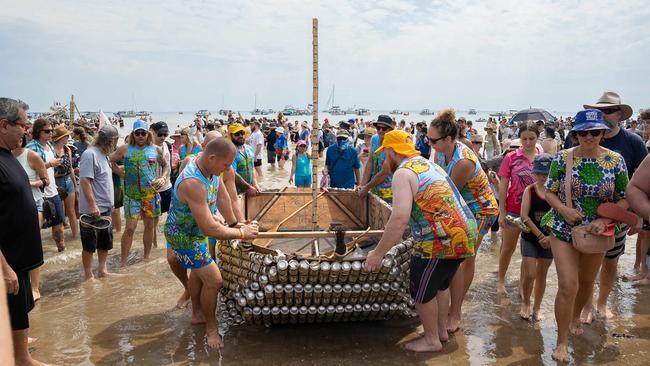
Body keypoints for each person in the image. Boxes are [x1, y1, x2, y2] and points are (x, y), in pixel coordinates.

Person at [364, 130, 477, 353]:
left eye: (385, 152)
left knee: (421, 292)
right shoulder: (428, 164)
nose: (385, 157)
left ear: (391, 151)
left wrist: (377, 253)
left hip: (439, 239)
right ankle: (441, 331)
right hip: (465, 232)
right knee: (440, 285)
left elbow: (399, 218)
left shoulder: (403, 173)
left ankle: (432, 340)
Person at [542, 109, 629, 362]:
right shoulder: (562, 159)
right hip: (563, 227)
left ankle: (573, 319)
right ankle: (561, 342)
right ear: (575, 134)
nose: (589, 137)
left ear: (603, 133)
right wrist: (562, 209)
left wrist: (605, 219)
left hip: (598, 232)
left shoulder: (615, 161)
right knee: (569, 284)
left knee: (587, 282)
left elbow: (624, 198)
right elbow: (549, 191)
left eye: (594, 132)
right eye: (583, 132)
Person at [165, 137, 258, 349]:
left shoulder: (212, 169)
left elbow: (221, 199)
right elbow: (209, 229)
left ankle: (196, 313)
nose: (228, 169)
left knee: (200, 272)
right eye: (226, 165)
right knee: (215, 280)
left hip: (196, 229)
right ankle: (211, 328)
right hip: (183, 235)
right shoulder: (193, 182)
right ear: (212, 157)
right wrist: (241, 234)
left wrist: (236, 222)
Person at [576, 92, 647, 321]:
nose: (604, 115)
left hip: (617, 215)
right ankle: (586, 305)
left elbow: (642, 183)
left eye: (609, 111)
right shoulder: (579, 137)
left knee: (610, 262)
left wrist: (637, 216)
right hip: (584, 217)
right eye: (601, 110)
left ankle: (602, 303)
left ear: (619, 114)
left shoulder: (633, 142)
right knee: (584, 266)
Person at [430, 108, 498, 333]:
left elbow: (448, 194)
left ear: (449, 139)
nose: (430, 145)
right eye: (427, 139)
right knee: (454, 258)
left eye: (433, 140)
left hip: (480, 210)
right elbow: (438, 181)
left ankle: (455, 312)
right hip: (459, 205)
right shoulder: (441, 152)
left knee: (463, 259)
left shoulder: (464, 162)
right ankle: (452, 300)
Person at [0, 97, 49, 366]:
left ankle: (21, 354)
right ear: (4, 125)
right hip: (8, 261)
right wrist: (4, 267)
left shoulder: (8, 156)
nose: (27, 130)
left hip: (19, 258)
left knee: (19, 312)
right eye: (23, 124)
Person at [109, 119, 168, 267]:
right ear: (133, 134)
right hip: (131, 195)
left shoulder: (155, 149)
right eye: (138, 133)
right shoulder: (125, 149)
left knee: (149, 227)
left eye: (143, 133)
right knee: (130, 228)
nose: (140, 136)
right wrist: (120, 173)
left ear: (148, 134)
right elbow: (109, 160)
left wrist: (162, 177)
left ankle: (146, 258)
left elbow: (165, 165)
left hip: (150, 195)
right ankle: (123, 262)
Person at [497, 121, 541, 294]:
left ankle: (524, 285)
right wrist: (502, 212)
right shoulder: (511, 157)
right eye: (524, 139)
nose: (528, 142)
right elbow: (503, 185)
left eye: (532, 138)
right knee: (508, 247)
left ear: (538, 138)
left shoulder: (542, 157)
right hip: (513, 208)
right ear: (519, 138)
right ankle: (501, 280)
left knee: (529, 253)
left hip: (535, 211)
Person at [78, 125, 119, 281]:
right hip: (91, 210)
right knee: (89, 244)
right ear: (109, 141)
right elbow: (85, 181)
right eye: (115, 141)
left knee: (105, 242)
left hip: (105, 208)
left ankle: (102, 270)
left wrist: (110, 203)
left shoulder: (104, 155)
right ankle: (89, 275)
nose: (115, 144)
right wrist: (93, 205)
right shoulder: (90, 154)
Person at [518, 154, 554, 321]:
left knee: (542, 275)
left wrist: (550, 237)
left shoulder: (557, 192)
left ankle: (537, 308)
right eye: (539, 173)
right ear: (534, 173)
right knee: (530, 274)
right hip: (530, 237)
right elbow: (524, 216)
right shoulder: (529, 190)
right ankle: (526, 302)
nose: (542, 177)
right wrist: (540, 235)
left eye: (546, 174)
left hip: (550, 240)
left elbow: (561, 216)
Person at [13, 135, 48, 301]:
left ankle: (35, 288)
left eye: (21, 137)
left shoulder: (31, 156)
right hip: (12, 207)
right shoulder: (5, 156)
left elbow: (45, 181)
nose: (19, 139)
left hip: (34, 203)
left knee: (32, 241)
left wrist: (28, 183)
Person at [27, 119, 66, 252]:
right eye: (47, 131)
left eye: (52, 130)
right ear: (38, 131)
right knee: (34, 229)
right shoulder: (31, 147)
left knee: (59, 226)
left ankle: (61, 251)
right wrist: (50, 164)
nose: (51, 133)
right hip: (39, 194)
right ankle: (35, 257)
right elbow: (29, 168)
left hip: (53, 191)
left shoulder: (49, 145)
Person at [358, 115, 395, 202]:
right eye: (378, 128)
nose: (380, 131)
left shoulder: (393, 144)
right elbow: (370, 161)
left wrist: (366, 187)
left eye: (384, 128)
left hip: (390, 190)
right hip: (374, 187)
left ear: (390, 130)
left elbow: (385, 172)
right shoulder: (374, 139)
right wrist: (362, 185)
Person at [52, 124, 79, 240]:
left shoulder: (68, 149)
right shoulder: (50, 150)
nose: (68, 138)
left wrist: (75, 185)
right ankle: (60, 240)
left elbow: (71, 169)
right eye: (66, 136)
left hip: (68, 180)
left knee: (71, 210)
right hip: (56, 182)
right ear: (60, 137)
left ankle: (75, 238)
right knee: (59, 213)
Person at [150, 122, 173, 248]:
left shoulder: (167, 145)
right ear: (152, 132)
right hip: (153, 190)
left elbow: (168, 165)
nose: (163, 137)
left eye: (165, 134)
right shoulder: (148, 148)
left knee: (172, 216)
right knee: (153, 220)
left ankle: (170, 243)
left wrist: (165, 178)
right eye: (160, 134)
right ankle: (154, 245)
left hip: (167, 187)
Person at [229, 123, 260, 196]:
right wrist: (247, 188)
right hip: (236, 192)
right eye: (237, 134)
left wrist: (255, 183)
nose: (240, 136)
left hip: (250, 190)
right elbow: (232, 174)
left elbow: (252, 168)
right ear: (230, 136)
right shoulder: (229, 152)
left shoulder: (249, 149)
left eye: (242, 133)